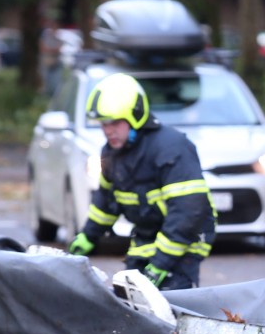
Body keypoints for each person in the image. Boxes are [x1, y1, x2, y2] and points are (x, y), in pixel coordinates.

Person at [68, 73, 217, 290]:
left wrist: (160, 264)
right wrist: (88, 236)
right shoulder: (111, 154)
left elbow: (188, 213)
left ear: (135, 115)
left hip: (184, 242)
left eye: (115, 123)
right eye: (103, 124)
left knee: (172, 304)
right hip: (146, 238)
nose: (108, 130)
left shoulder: (171, 148)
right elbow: (106, 202)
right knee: (130, 304)